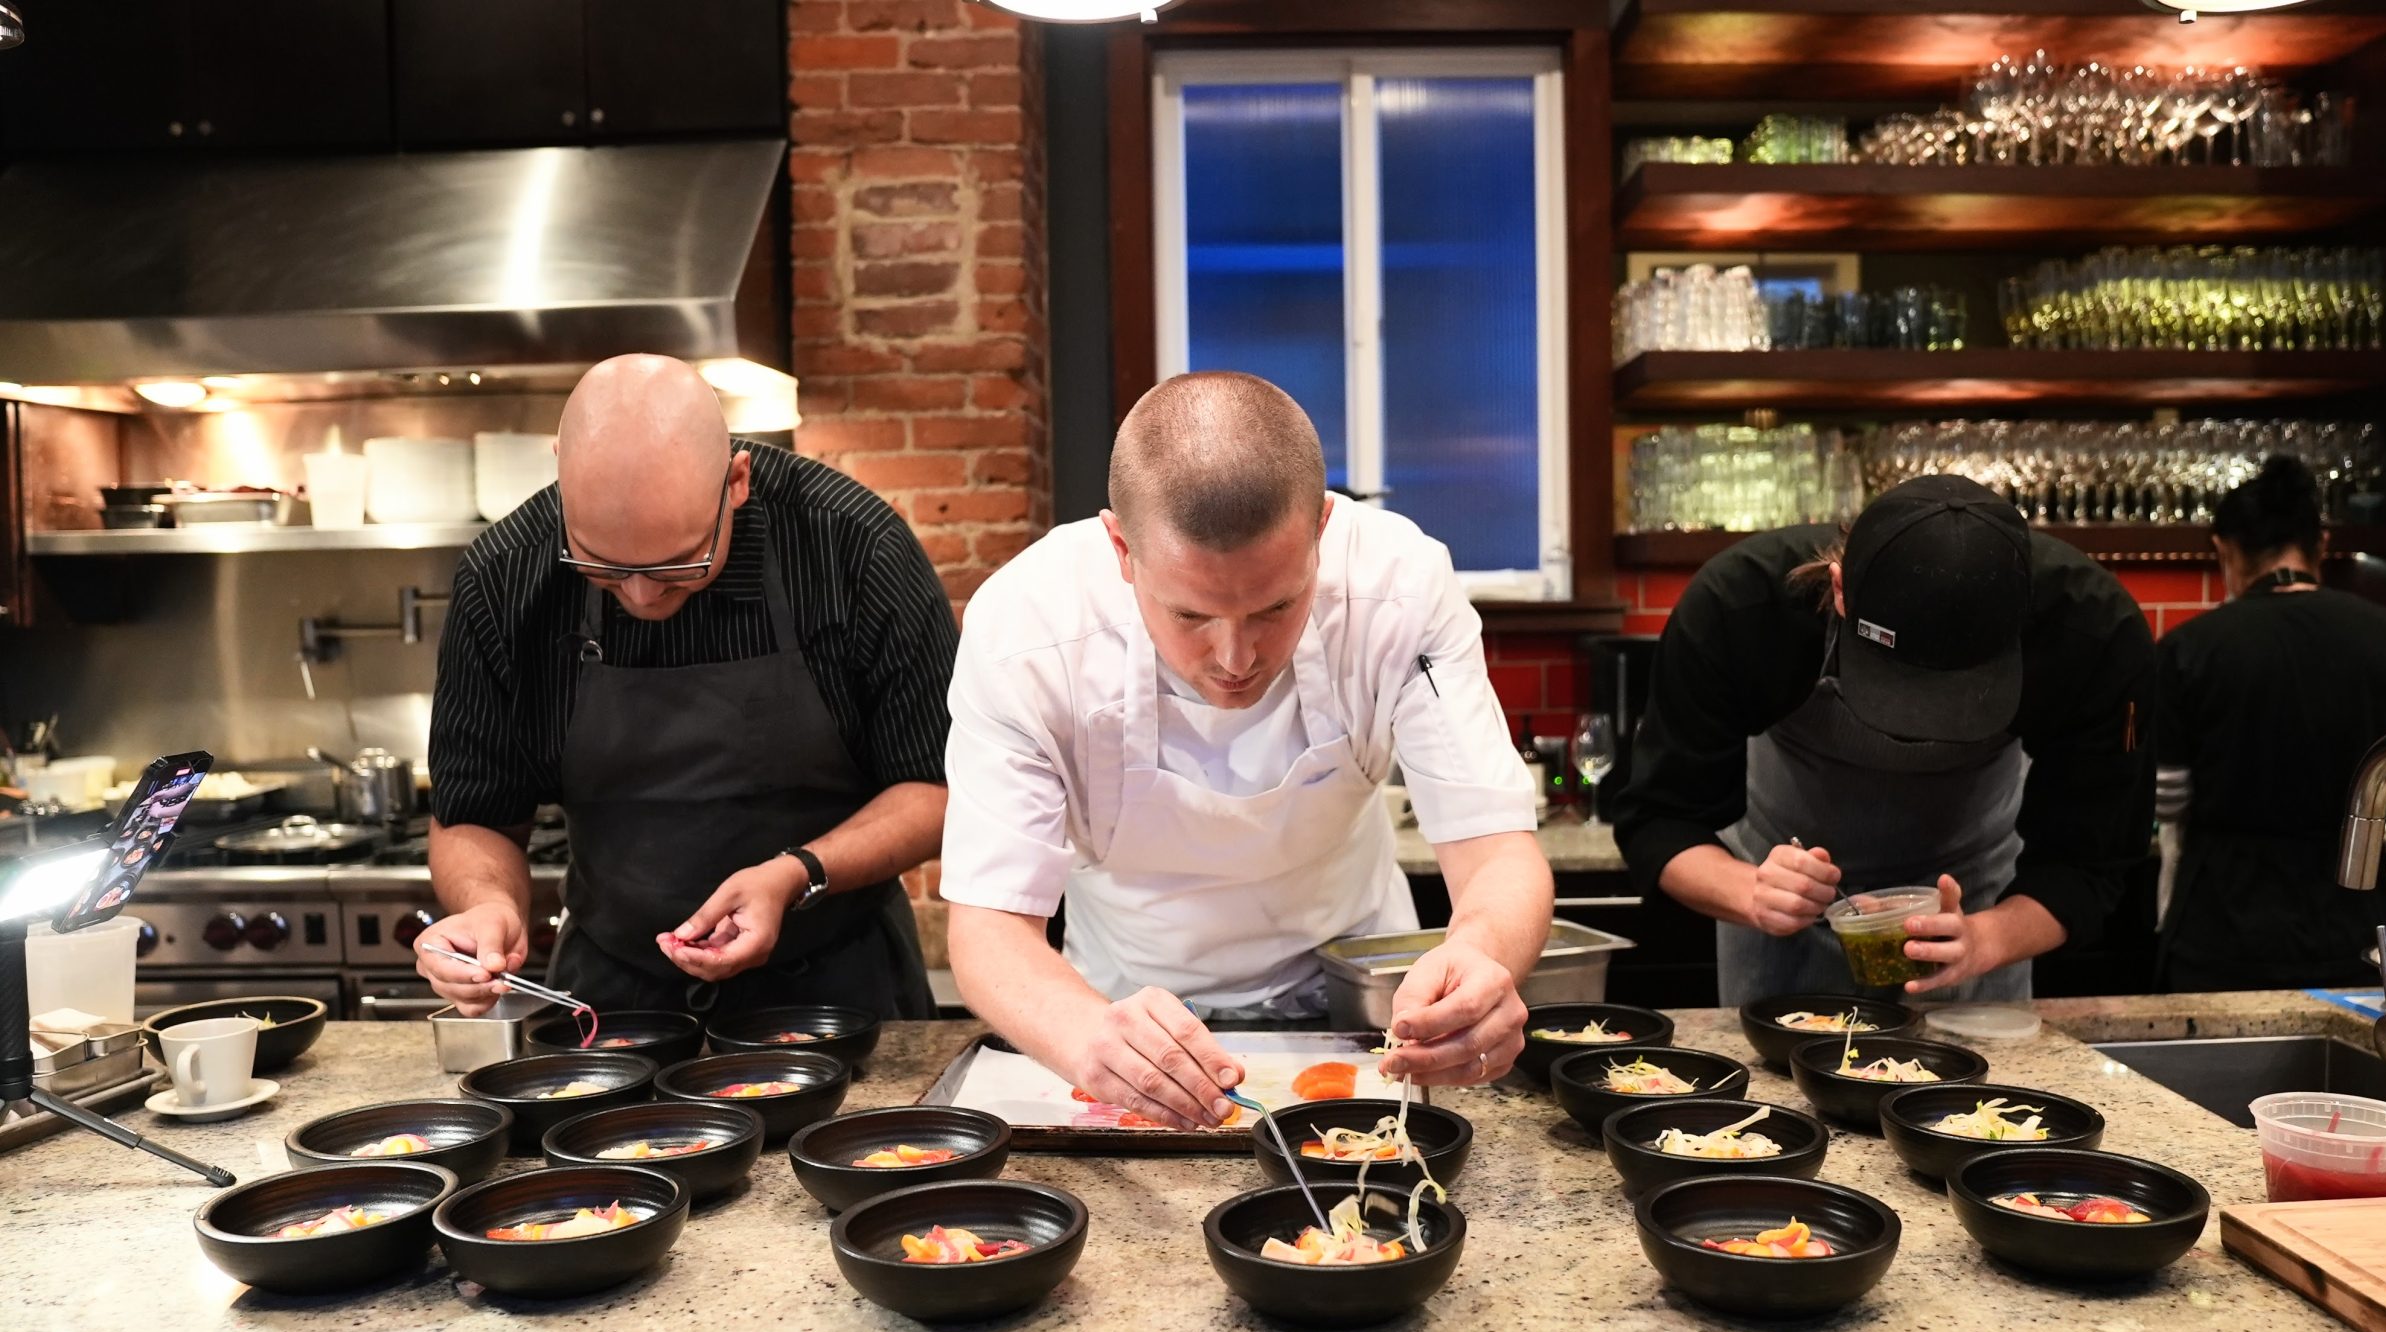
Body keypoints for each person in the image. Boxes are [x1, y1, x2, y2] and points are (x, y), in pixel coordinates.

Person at [939, 371, 1554, 1128]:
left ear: (1323, 528)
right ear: (1121, 548)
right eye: (1190, 614)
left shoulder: (1400, 588)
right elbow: (988, 929)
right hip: (1123, 1012)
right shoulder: (1026, 631)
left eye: (1275, 607)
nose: (1236, 658)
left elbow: (1497, 852)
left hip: (1366, 1010)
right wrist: (1083, 1033)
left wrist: (1484, 954)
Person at [415, 355, 957, 1019]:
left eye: (679, 565)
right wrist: (488, 904)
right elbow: (473, 814)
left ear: (736, 481)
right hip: (615, 1004)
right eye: (601, 567)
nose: (642, 594)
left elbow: (939, 786)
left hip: (840, 992)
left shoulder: (853, 547)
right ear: (561, 472)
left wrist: (796, 873)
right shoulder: (502, 579)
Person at [1613, 474, 2155, 1009]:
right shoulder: (1741, 605)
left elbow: (2089, 864)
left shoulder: (2093, 632)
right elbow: (1659, 819)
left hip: (1976, 905)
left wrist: (1985, 939)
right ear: (1839, 588)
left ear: (2025, 619)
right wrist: (1751, 891)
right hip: (1779, 907)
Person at [2156, 456, 2386, 991]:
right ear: (2320, 544)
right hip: (2354, 922)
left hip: (2223, 926)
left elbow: (2167, 797)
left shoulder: (2190, 647)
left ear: (2225, 549)